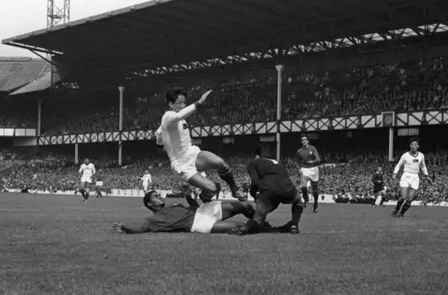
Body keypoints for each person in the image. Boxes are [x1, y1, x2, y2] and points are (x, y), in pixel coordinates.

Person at [155, 88, 247, 203]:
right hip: (181, 163)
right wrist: (198, 102)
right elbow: (176, 118)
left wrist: (159, 139)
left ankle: (235, 189)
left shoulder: (175, 121)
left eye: (184, 102)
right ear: (170, 104)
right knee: (212, 188)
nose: (183, 105)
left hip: (192, 153)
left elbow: (160, 134)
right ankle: (205, 199)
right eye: (180, 103)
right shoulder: (168, 115)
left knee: (220, 163)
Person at [112, 186, 256, 234]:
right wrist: (125, 228)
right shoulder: (153, 220)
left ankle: (260, 221)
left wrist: (188, 196)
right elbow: (141, 229)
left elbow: (194, 207)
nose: (160, 197)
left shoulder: (174, 204)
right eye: (156, 197)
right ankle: (265, 228)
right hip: (197, 224)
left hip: (201, 211)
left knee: (243, 206)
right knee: (239, 227)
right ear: (150, 204)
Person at [230, 146, 305, 235]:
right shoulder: (278, 163)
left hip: (269, 189)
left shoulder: (254, 163)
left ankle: (245, 227)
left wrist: (256, 196)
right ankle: (294, 226)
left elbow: (256, 182)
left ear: (256, 156)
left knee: (258, 217)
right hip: (287, 188)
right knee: (299, 200)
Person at [392, 138, 431, 217]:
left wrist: (427, 176)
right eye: (412, 144)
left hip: (415, 177)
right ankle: (396, 210)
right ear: (410, 146)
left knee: (409, 199)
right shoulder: (405, 155)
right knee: (403, 197)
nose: (414, 146)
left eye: (415, 144)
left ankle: (401, 214)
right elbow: (399, 165)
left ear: (418, 146)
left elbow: (423, 166)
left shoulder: (421, 155)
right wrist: (394, 173)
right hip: (406, 175)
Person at [296, 134, 321, 213]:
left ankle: (316, 204)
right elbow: (296, 162)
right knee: (303, 186)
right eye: (302, 140)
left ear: (308, 141)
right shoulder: (299, 151)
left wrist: (312, 161)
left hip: (313, 170)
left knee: (315, 190)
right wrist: (299, 168)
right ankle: (306, 199)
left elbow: (318, 159)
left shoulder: (312, 148)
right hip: (304, 169)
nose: (303, 141)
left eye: (305, 140)